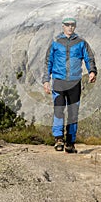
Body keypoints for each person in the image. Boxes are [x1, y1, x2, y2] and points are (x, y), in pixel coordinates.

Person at [42, 17, 97, 153]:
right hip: (59, 81)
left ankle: (70, 143)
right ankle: (59, 139)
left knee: (73, 113)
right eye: (67, 25)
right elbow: (48, 61)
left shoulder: (81, 42)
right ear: (63, 26)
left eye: (72, 25)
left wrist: (92, 71)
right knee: (58, 110)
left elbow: (88, 57)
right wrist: (46, 80)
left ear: (75, 27)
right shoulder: (55, 42)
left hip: (74, 82)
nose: (70, 27)